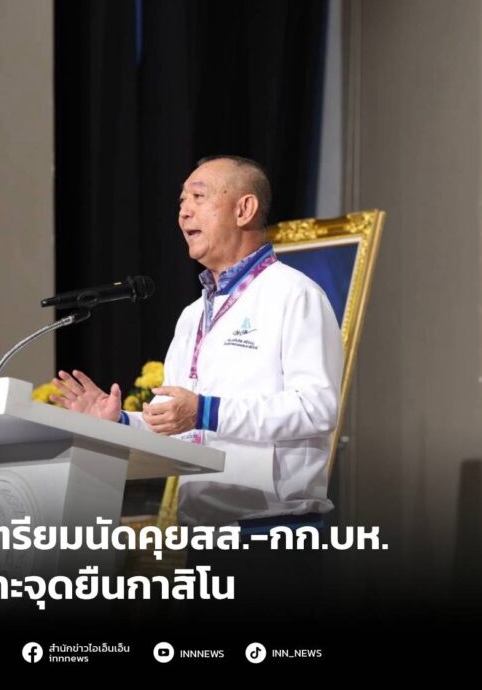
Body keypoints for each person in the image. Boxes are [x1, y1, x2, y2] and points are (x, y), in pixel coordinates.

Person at [52, 155, 343, 537]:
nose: (184, 212)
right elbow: (179, 428)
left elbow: (316, 408)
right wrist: (119, 422)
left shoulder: (294, 294)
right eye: (181, 201)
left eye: (198, 197)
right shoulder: (192, 315)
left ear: (244, 209)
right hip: (201, 532)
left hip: (271, 530)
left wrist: (205, 411)